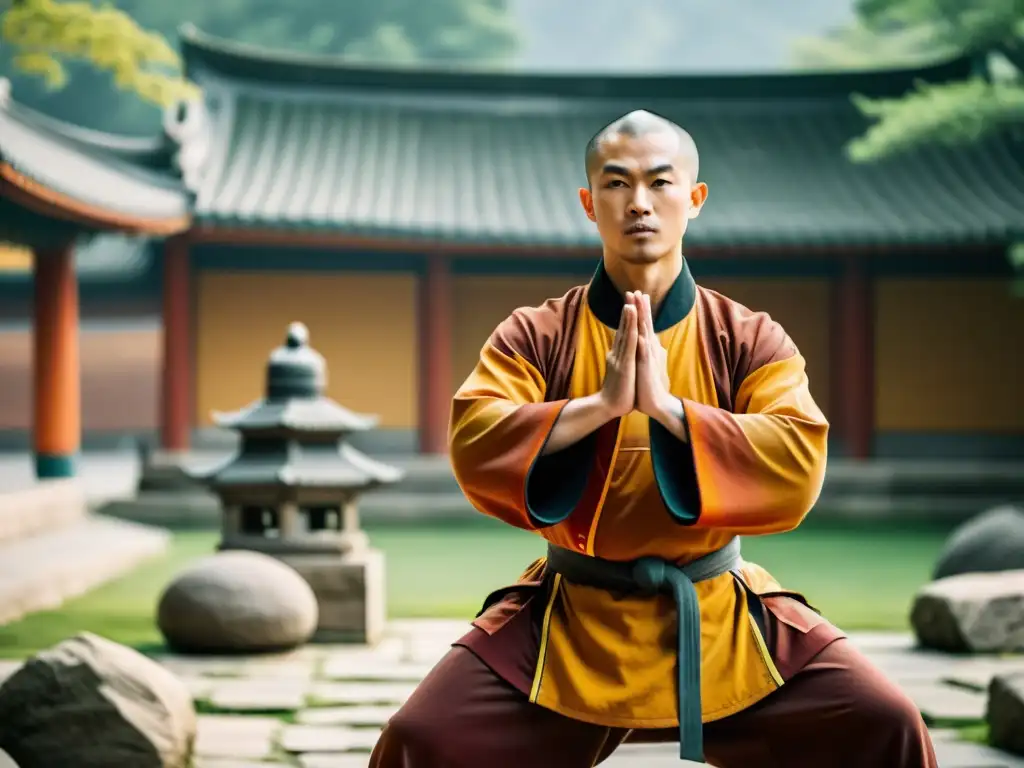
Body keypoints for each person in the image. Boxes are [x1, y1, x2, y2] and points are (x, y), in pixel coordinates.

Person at [368, 110, 937, 768]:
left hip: (719, 617)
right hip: (570, 620)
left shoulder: (748, 338)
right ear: (589, 203)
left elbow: (797, 459)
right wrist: (598, 407)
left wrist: (669, 412)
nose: (638, 203)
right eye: (616, 184)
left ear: (694, 199)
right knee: (421, 741)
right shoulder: (537, 335)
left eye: (659, 183)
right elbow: (476, 439)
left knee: (884, 725)